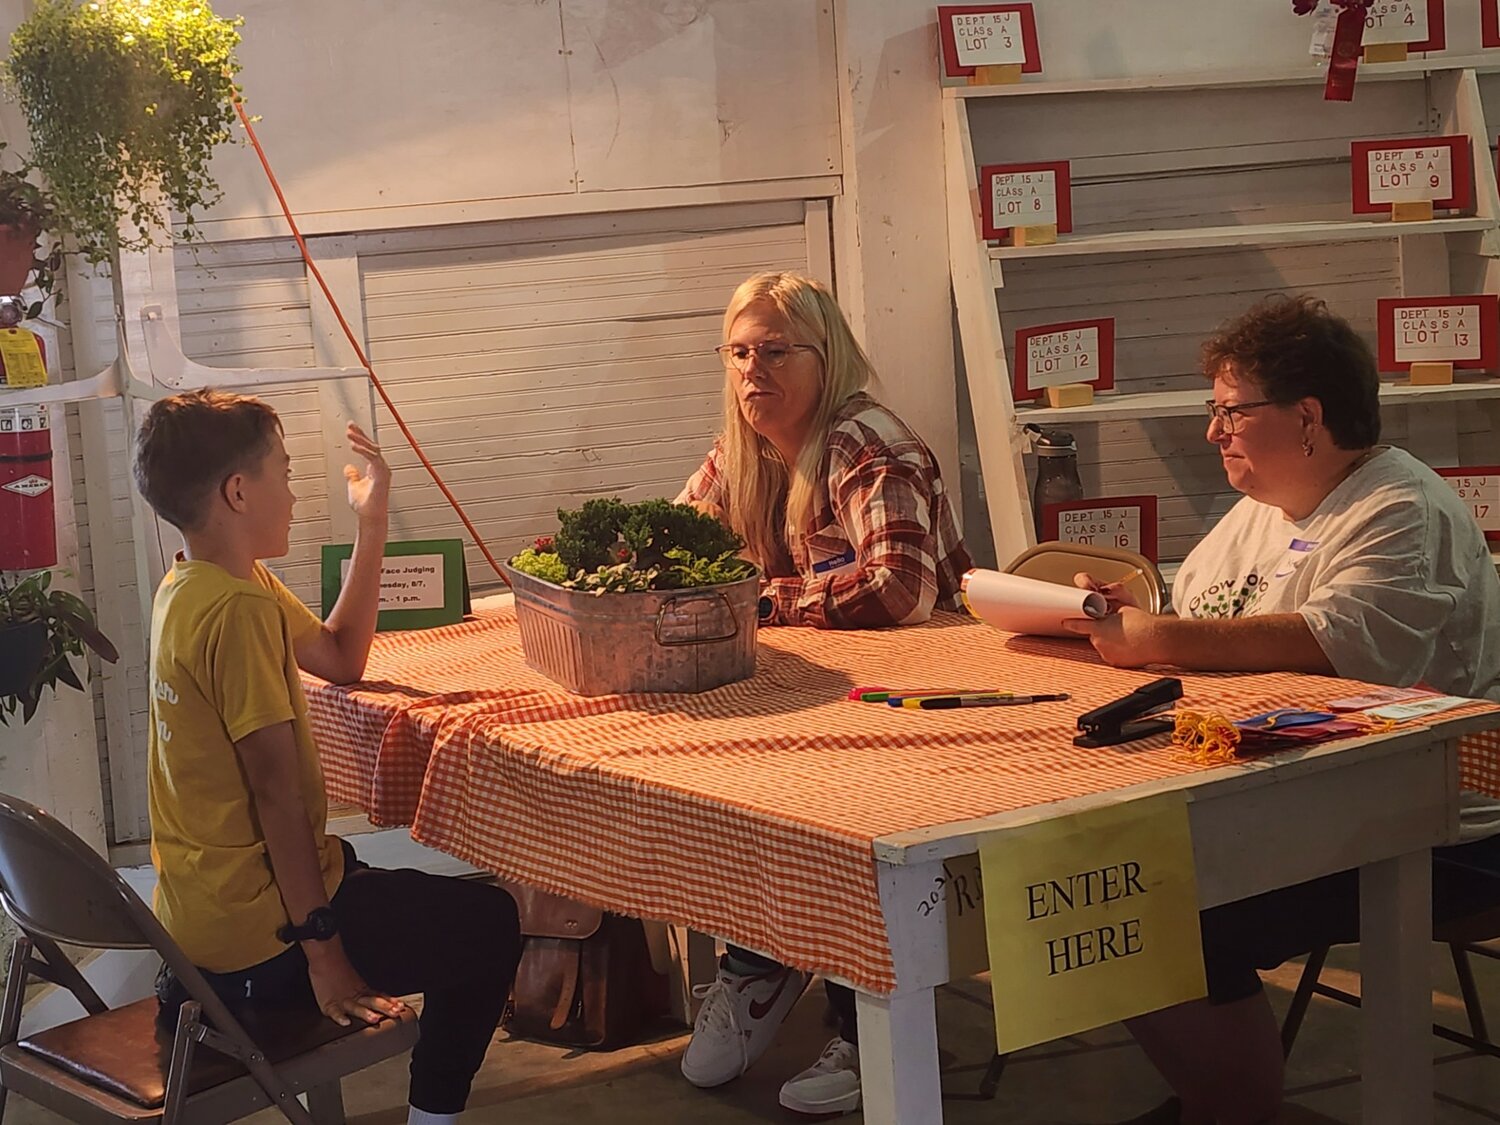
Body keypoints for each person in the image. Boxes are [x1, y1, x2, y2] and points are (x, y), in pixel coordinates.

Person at [1066, 295, 1500, 1125]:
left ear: (1307, 417)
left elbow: (1344, 646)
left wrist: (1158, 635)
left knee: (1152, 905)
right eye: (1214, 411)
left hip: (1429, 822)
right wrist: (1132, 618)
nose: (1213, 432)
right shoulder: (1257, 510)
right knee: (1096, 880)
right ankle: (1216, 1097)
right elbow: (1204, 625)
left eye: (1230, 411)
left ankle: (1232, 1108)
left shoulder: (1400, 508)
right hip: (1287, 789)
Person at [134, 390, 521, 1125]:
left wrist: (372, 522)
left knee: (383, 881)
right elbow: (276, 796)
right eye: (281, 471)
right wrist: (324, 953)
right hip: (260, 939)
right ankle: (433, 1118)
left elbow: (342, 658)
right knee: (491, 921)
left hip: (195, 927)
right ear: (238, 492)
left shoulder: (198, 581)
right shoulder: (238, 611)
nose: (293, 489)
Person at [675, 271, 972, 1115]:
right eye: (738, 353)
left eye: (774, 352)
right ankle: (767, 953)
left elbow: (903, 592)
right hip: (818, 686)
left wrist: (760, 597)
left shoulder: (865, 440)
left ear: (826, 353)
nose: (751, 373)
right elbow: (679, 541)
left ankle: (864, 1016)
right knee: (715, 784)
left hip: (925, 699)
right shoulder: (743, 445)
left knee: (846, 822)